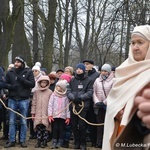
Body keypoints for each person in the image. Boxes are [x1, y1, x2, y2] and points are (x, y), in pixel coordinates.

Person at [102, 25, 150, 150]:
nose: (135, 47)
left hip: (142, 135)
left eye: (140, 42)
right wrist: (115, 111)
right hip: (119, 131)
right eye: (133, 43)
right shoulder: (123, 70)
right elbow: (113, 100)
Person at [4, 55, 35, 148]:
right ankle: (12, 140)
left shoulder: (28, 71)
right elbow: (4, 84)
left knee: (23, 121)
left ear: (22, 63)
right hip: (12, 99)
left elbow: (32, 84)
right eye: (15, 62)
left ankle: (22, 140)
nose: (16, 63)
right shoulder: (10, 72)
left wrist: (21, 80)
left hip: (24, 99)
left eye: (18, 62)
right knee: (12, 121)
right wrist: (11, 87)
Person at [67, 63, 93, 150]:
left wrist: (80, 98)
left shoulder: (88, 80)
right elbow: (68, 90)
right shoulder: (72, 80)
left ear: (83, 70)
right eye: (77, 69)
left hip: (83, 106)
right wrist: (73, 98)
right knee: (74, 125)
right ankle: (76, 142)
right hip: (73, 105)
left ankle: (83, 143)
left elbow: (89, 92)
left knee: (82, 125)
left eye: (80, 69)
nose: (78, 70)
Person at [93, 63, 114, 148]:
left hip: (107, 106)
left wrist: (105, 102)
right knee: (99, 125)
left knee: (107, 125)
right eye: (102, 71)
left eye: (105, 71)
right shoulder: (97, 80)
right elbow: (93, 92)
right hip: (98, 106)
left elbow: (113, 94)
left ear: (109, 72)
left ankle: (107, 142)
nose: (103, 72)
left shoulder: (113, 81)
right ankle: (99, 142)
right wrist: (97, 102)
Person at [31, 75, 53, 148]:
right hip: (38, 113)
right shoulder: (36, 92)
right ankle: (38, 141)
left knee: (45, 128)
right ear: (39, 83)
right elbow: (34, 102)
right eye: (42, 82)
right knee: (39, 127)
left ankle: (45, 141)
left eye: (45, 82)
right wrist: (33, 113)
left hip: (46, 113)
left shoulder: (50, 92)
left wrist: (51, 113)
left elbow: (51, 103)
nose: (43, 84)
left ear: (47, 83)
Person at [48, 80, 70, 149]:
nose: (57, 88)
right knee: (55, 128)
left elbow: (67, 107)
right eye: (57, 86)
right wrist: (50, 115)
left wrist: (68, 117)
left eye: (59, 87)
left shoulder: (66, 96)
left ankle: (60, 141)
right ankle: (54, 140)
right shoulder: (53, 95)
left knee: (61, 128)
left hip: (62, 116)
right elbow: (50, 105)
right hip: (55, 115)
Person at [83, 60, 100, 147]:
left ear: (92, 65)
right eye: (84, 64)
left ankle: (94, 140)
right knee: (84, 122)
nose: (85, 66)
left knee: (93, 122)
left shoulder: (97, 75)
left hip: (93, 101)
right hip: (84, 102)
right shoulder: (84, 75)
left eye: (87, 64)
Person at [28, 65, 43, 140]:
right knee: (31, 116)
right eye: (33, 71)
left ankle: (38, 132)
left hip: (39, 97)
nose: (34, 72)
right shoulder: (31, 78)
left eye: (36, 71)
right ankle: (32, 132)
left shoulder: (42, 78)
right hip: (30, 97)